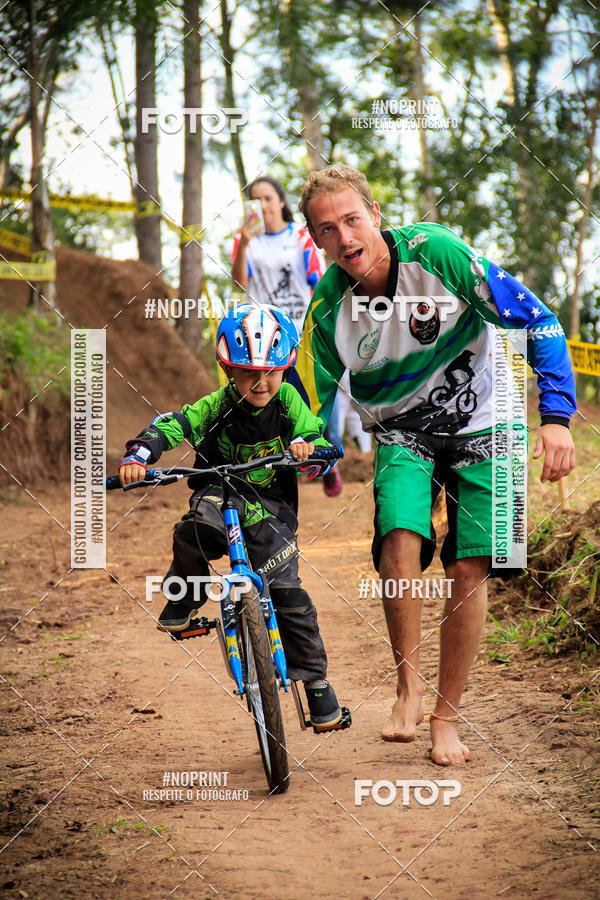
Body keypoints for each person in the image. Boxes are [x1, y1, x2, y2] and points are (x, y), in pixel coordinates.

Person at [295, 164, 576, 764]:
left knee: (470, 567)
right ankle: (409, 687)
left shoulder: (438, 252)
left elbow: (539, 319)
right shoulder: (325, 310)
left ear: (375, 214)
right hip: (402, 428)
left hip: (490, 417)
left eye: (352, 219)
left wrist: (555, 416)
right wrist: (307, 446)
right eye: (327, 230)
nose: (345, 237)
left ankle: (446, 718)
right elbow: (308, 404)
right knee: (399, 539)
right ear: (316, 241)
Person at [118, 304, 343, 730]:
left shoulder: (288, 400)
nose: (261, 382)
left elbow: (310, 430)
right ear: (228, 370)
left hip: (270, 507)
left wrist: (308, 446)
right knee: (194, 529)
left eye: (271, 372)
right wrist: (140, 454)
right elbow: (176, 423)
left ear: (285, 368)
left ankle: (316, 683)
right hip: (217, 493)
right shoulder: (217, 405)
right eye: (247, 373)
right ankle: (185, 595)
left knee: (289, 594)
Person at [231, 175, 343, 497]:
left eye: (267, 198)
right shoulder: (245, 239)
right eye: (255, 199)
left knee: (315, 395)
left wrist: (324, 325)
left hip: (300, 331)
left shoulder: (301, 236)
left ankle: (328, 456)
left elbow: (318, 281)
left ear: (281, 201)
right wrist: (244, 243)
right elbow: (239, 283)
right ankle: (271, 470)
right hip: (261, 337)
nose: (262, 205)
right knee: (267, 399)